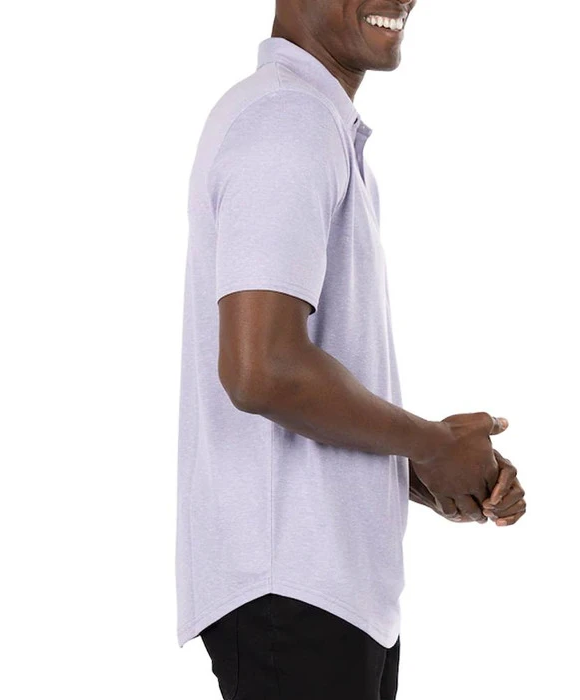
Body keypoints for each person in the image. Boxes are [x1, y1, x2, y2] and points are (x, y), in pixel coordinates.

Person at [175, 0, 527, 697]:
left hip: (322, 594)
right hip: (295, 593)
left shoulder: (311, 123)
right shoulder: (287, 120)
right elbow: (260, 371)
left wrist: (426, 470)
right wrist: (430, 442)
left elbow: (285, 380)